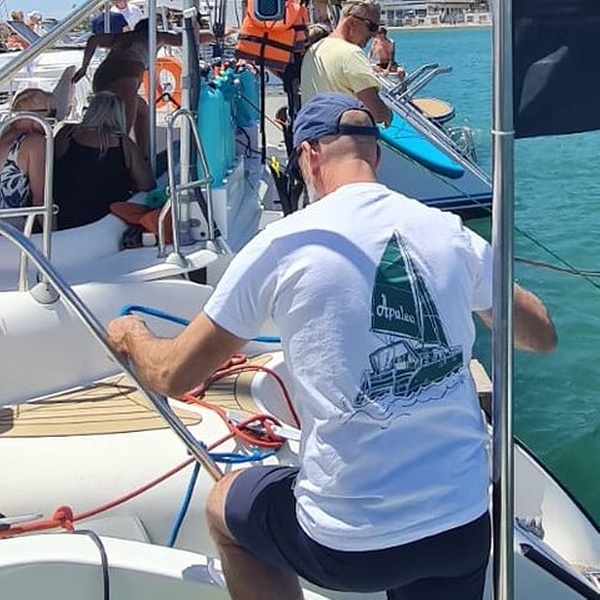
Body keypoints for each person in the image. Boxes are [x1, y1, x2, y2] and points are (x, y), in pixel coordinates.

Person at [106, 92, 558, 599]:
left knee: (224, 505)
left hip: (349, 547)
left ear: (309, 156)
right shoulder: (449, 233)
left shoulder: (284, 243)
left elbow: (174, 375)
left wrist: (131, 336)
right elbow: (541, 336)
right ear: (376, 156)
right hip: (462, 528)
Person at [72, 18, 213, 157]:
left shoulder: (122, 37)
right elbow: (190, 39)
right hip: (124, 79)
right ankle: (122, 161)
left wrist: (84, 68)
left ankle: (143, 155)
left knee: (143, 111)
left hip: (102, 78)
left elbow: (94, 39)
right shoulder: (156, 37)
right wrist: (216, 36)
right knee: (122, 133)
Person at [53, 91, 155, 230]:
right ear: (119, 114)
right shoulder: (123, 143)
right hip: (107, 220)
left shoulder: (66, 133)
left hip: (66, 217)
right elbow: (147, 184)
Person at [300, 0, 391, 126]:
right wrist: (388, 114)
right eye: (372, 27)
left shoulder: (314, 50)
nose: (374, 34)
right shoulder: (351, 53)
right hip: (342, 134)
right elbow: (377, 113)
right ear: (351, 22)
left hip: (313, 132)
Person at [0, 88, 54, 229]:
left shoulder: (4, 135)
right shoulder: (35, 143)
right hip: (8, 230)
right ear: (37, 114)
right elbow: (41, 200)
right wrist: (55, 234)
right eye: (52, 112)